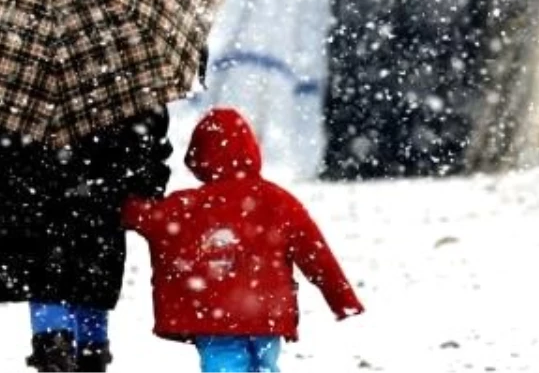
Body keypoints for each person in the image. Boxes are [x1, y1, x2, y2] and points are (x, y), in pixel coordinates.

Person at [123, 107, 365, 373]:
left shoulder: (185, 206)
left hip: (212, 318)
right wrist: (342, 299)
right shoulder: (278, 201)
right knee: (265, 365)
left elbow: (140, 216)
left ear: (199, 157)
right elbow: (316, 254)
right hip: (268, 315)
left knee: (224, 363)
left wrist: (120, 195)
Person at [0, 106, 174, 373]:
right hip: (97, 195)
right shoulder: (118, 78)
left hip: (35, 199)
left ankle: (54, 350)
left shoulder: (19, 80)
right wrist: (145, 182)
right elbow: (148, 132)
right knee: (90, 280)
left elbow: (2, 153)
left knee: (46, 280)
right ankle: (90, 354)